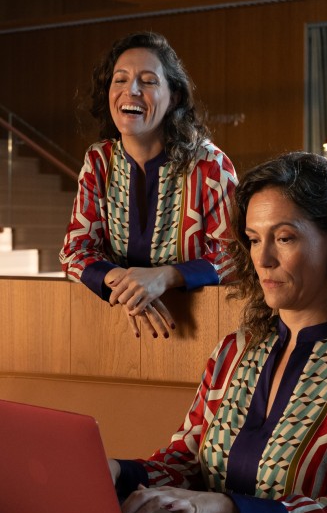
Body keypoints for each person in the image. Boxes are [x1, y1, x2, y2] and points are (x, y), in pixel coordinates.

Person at [109, 151, 327, 513]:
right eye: (253, 239)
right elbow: (186, 462)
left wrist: (229, 508)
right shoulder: (233, 351)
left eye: (284, 238)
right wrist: (115, 472)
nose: (263, 259)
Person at [60, 31, 237, 338]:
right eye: (120, 79)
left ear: (174, 98)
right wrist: (127, 285)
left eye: (148, 81)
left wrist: (164, 277)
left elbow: (236, 256)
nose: (131, 90)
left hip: (202, 329)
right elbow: (74, 251)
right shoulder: (98, 162)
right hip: (116, 329)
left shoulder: (210, 165)